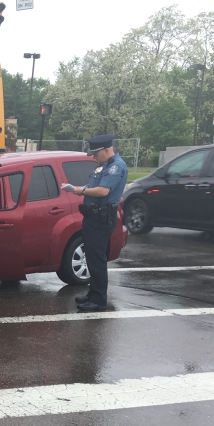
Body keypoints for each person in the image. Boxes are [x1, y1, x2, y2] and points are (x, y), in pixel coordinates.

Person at [66, 134, 127, 312]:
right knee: (91, 258)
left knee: (97, 260)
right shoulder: (104, 166)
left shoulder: (116, 167)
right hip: (93, 218)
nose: (93, 157)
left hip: (101, 219)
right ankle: (93, 293)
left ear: (107, 149)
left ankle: (99, 300)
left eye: (96, 153)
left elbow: (102, 191)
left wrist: (79, 190)